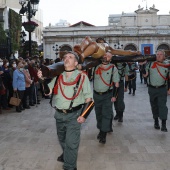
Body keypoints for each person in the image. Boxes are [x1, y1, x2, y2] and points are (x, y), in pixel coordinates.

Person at [37, 51, 93, 170]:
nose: (66, 59)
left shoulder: (82, 76)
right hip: (59, 115)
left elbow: (89, 99)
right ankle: (67, 154)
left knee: (71, 143)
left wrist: (84, 115)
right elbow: (48, 92)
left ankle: (70, 166)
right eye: (65, 57)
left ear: (76, 62)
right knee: (62, 140)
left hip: (75, 115)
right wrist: (42, 80)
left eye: (70, 57)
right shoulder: (58, 76)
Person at [92, 51, 119, 144]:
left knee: (106, 114)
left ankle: (103, 134)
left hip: (107, 95)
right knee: (98, 114)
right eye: (104, 55)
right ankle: (101, 129)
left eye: (108, 56)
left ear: (110, 59)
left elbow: (116, 84)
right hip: (96, 95)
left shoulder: (113, 68)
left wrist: (115, 96)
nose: (106, 56)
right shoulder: (95, 67)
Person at [144, 49, 170, 132]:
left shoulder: (167, 66)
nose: (158, 56)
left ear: (164, 56)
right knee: (154, 106)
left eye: (160, 54)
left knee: (162, 106)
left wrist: (169, 89)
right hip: (152, 89)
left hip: (162, 89)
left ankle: (163, 124)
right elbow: (145, 74)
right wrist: (142, 66)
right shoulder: (151, 64)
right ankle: (156, 121)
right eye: (157, 54)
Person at [74, 36, 141, 62]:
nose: (100, 41)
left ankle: (82, 55)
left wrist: (135, 52)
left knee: (94, 44)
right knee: (87, 38)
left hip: (99, 51)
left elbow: (123, 52)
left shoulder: (108, 47)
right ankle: (81, 50)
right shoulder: (96, 43)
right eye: (99, 40)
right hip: (92, 49)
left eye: (101, 41)